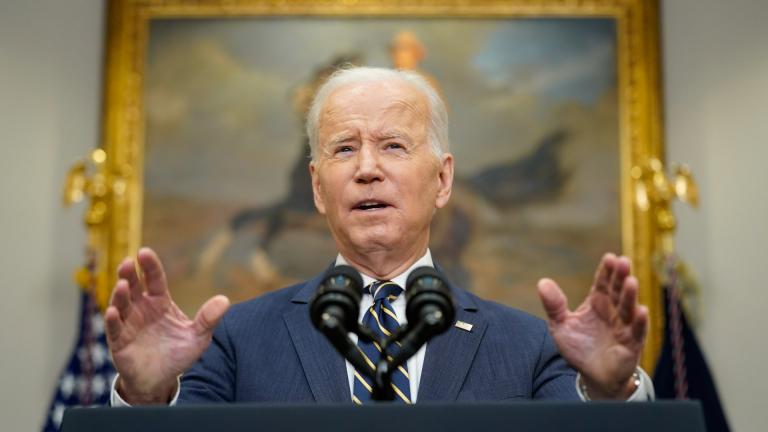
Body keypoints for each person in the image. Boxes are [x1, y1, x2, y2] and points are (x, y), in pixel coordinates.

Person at [105, 67, 652, 405]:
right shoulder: (236, 341)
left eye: (393, 145)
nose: (367, 168)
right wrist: (147, 398)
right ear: (318, 189)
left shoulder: (532, 348)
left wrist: (608, 393)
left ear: (442, 180)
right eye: (344, 148)